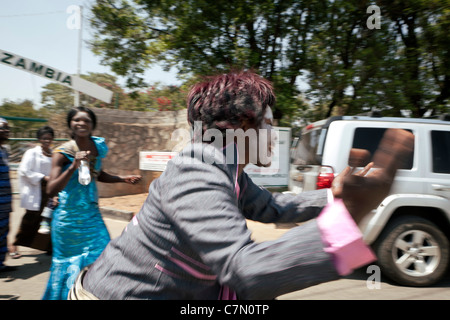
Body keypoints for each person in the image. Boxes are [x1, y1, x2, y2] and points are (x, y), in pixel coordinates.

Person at [69, 71, 414, 300]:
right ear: (242, 125)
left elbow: (274, 207)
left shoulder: (226, 169)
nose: (273, 134)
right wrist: (351, 214)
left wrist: (334, 194)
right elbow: (246, 270)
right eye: (268, 122)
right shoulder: (197, 171)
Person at [42, 106, 142, 300]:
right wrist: (73, 166)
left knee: (103, 255)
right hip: (68, 221)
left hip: (91, 216)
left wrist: (122, 178)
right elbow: (51, 189)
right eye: (77, 120)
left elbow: (97, 174)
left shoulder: (97, 147)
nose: (81, 123)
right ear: (70, 124)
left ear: (92, 125)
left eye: (86, 120)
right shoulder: (62, 152)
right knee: (69, 267)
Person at [10, 126, 55, 258]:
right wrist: (42, 177)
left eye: (49, 138)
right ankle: (14, 244)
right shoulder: (32, 153)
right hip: (35, 189)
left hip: (48, 191)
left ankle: (47, 246)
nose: (47, 141)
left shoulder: (53, 153)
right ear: (39, 139)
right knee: (30, 219)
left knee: (47, 218)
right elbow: (24, 170)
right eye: (44, 138)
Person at [0, 118, 14, 273]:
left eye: (7, 129)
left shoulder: (4, 151)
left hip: (5, 201)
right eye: (2, 128)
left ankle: (1, 264)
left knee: (4, 232)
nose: (6, 131)